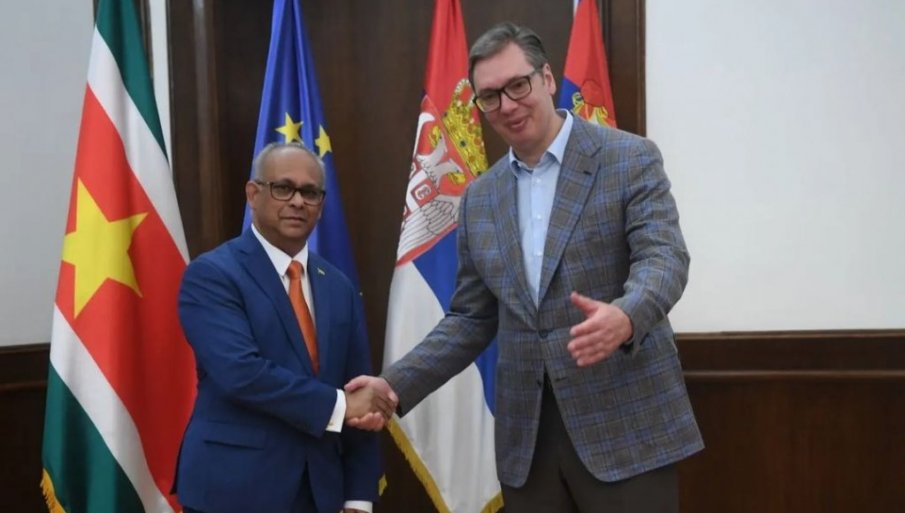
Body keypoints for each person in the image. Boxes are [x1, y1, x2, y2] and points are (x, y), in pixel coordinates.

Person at [348, 22, 703, 513]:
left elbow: (664, 257)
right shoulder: (479, 198)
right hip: (528, 443)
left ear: (547, 78)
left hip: (624, 427)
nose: (508, 105)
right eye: (490, 96)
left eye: (518, 85)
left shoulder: (628, 158)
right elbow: (471, 318)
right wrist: (394, 384)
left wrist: (626, 316)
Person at [174, 142, 393, 513]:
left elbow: (359, 389)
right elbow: (241, 373)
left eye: (310, 192)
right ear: (253, 194)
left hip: (320, 491)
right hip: (234, 490)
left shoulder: (337, 286)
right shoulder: (212, 275)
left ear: (321, 204)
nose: (297, 201)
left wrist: (358, 496)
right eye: (283, 188)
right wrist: (341, 405)